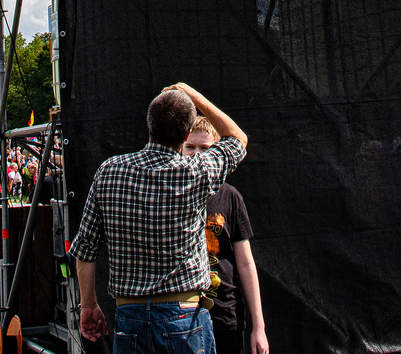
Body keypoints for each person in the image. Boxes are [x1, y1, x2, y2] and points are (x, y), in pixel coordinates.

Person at [70, 82, 247, 350]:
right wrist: (193, 95)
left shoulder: (109, 172)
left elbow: (85, 250)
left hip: (130, 320)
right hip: (184, 317)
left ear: (149, 125)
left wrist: (89, 305)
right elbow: (237, 138)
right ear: (187, 134)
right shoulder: (195, 173)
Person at [183, 118, 269, 354]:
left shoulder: (230, 197)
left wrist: (258, 327)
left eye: (205, 149)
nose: (197, 154)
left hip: (224, 316)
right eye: (190, 147)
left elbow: (245, 262)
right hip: (180, 318)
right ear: (180, 148)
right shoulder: (170, 194)